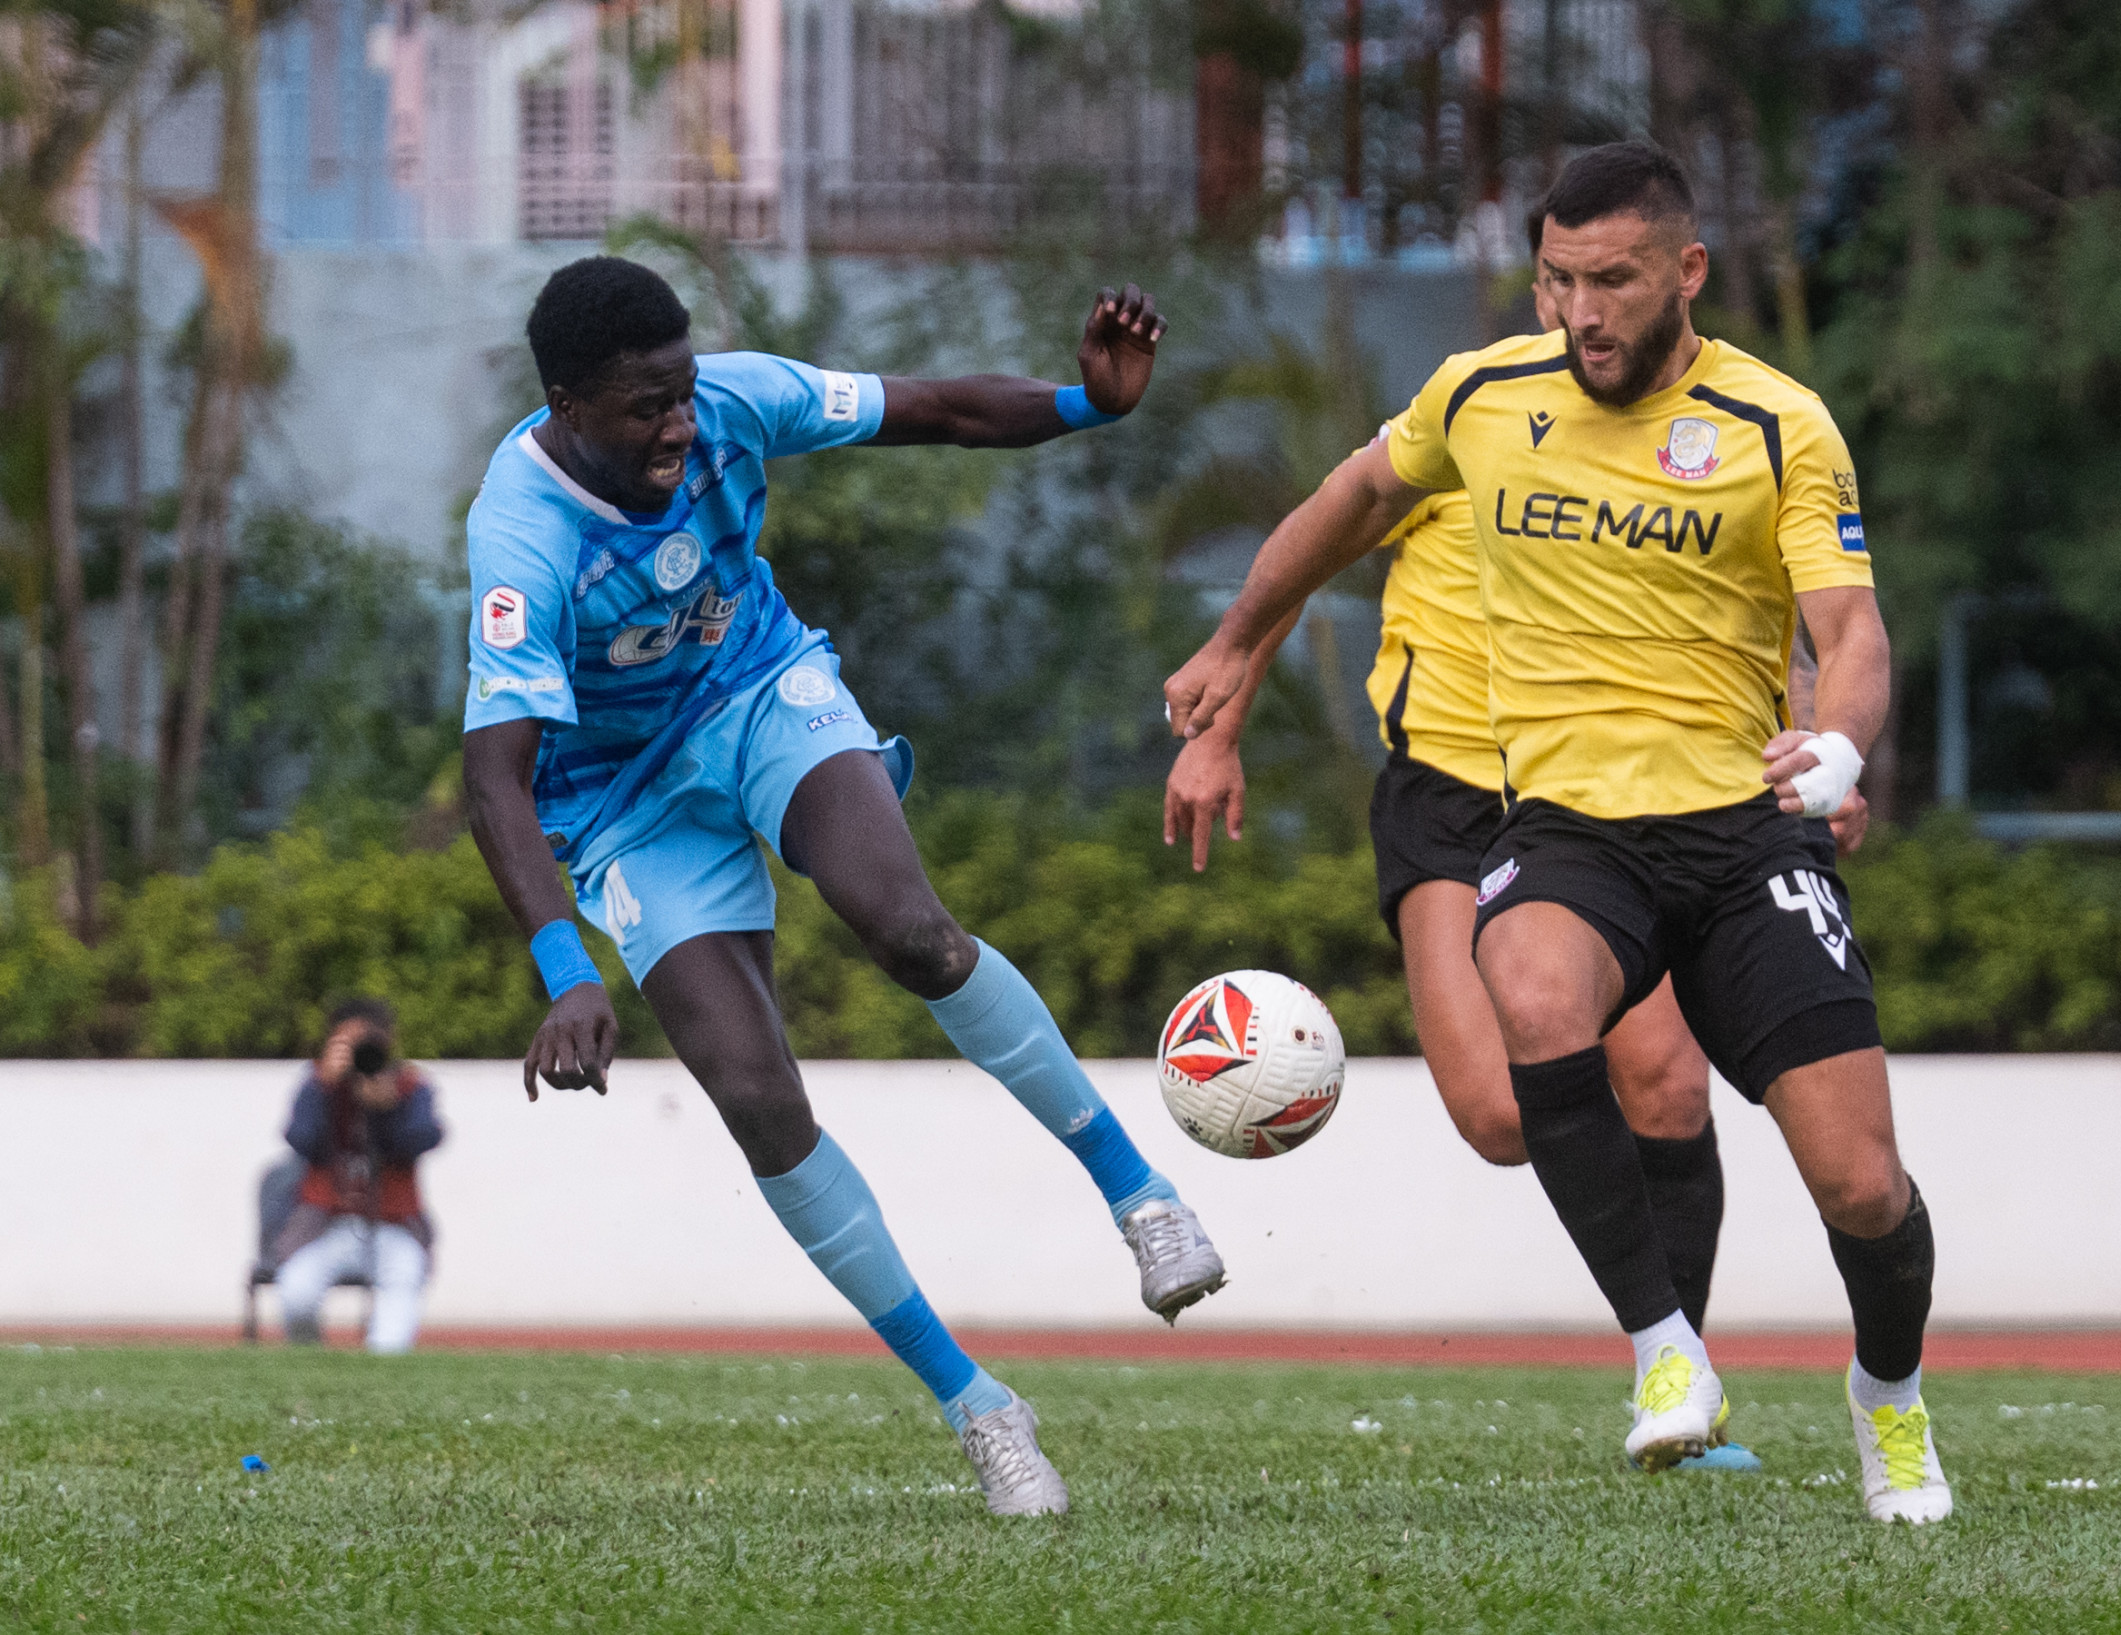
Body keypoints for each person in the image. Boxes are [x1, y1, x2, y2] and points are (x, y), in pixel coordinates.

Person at [1163, 142, 1947, 1523]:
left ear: (1685, 272)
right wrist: (1234, 646)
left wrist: (1835, 745)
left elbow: (1848, 630)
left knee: (1861, 1184)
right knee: (1528, 1009)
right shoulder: (1478, 397)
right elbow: (1347, 502)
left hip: (1743, 834)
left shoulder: (1777, 423)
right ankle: (1665, 1353)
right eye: (1556, 281)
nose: (1581, 312)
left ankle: (1887, 1396)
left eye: (1612, 282)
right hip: (1559, 820)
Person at [460, 257, 1224, 1518]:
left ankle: (1142, 1199)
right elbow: (495, 780)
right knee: (757, 1100)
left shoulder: (732, 399)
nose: (681, 426)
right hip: (622, 805)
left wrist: (1086, 403)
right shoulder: (520, 537)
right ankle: (980, 1409)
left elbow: (936, 409)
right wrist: (564, 970)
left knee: (913, 934)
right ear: (566, 406)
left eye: (684, 392)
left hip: (759, 692)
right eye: (647, 408)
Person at [273, 999, 443, 1354]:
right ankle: (309, 1365)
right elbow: (300, 1140)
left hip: (393, 1223)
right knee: (297, 1292)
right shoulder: (317, 1084)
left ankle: (384, 1368)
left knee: (404, 1279)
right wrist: (323, 1087)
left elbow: (425, 1138)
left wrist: (389, 1109)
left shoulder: (409, 1086)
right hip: (325, 1224)